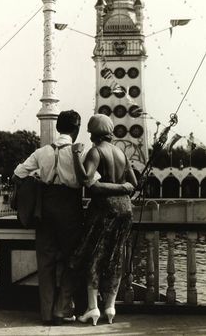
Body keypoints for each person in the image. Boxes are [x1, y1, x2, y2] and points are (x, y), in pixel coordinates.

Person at [13, 110, 93, 325]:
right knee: (74, 259)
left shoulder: (41, 152)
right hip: (70, 209)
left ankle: (47, 313)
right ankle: (61, 307)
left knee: (46, 261)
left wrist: (38, 180)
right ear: (76, 129)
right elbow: (92, 181)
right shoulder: (80, 153)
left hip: (45, 210)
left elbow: (18, 174)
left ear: (57, 128)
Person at [70, 114, 137, 326]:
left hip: (103, 210)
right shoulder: (121, 152)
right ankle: (110, 306)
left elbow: (88, 181)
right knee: (115, 256)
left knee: (95, 256)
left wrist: (75, 156)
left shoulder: (96, 151)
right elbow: (133, 184)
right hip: (125, 210)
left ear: (93, 133)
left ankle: (93, 308)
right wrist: (122, 188)